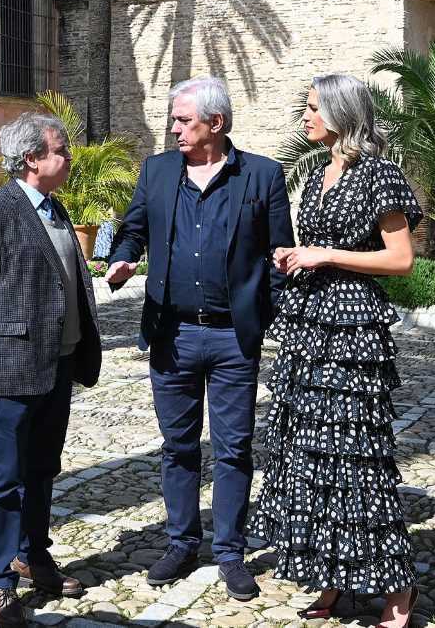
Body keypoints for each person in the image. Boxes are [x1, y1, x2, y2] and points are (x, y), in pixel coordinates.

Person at [105, 76, 294, 601]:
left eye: (184, 120)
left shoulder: (261, 175)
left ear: (217, 123)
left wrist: (265, 314)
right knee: (178, 446)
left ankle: (230, 552)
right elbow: (134, 227)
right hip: (173, 334)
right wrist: (124, 256)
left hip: (234, 338)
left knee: (234, 448)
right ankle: (181, 543)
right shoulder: (158, 171)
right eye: (174, 119)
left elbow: (280, 253)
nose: (174, 129)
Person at [249, 74, 422, 627]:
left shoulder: (379, 174)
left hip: (352, 334)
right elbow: (321, 248)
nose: (305, 117)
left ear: (342, 113)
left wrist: (327, 256)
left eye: (313, 108)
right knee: (309, 459)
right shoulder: (318, 174)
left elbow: (400, 259)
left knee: (356, 458)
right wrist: (297, 256)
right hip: (308, 328)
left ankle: (397, 590)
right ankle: (329, 577)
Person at [0, 112, 103, 627]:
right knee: (4, 479)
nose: (69, 156)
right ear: (32, 157)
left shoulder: (56, 210)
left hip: (57, 366)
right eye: (61, 149)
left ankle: (34, 556)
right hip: (9, 369)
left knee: (43, 470)